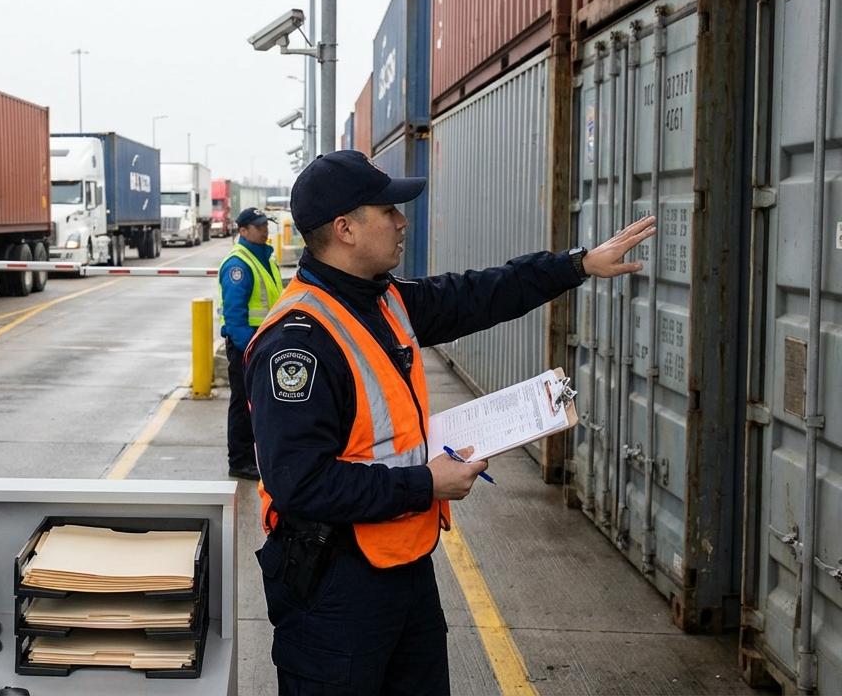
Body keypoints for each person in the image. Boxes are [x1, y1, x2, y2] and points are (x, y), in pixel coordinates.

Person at [246, 150, 655, 695]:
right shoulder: (297, 344)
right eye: (387, 210)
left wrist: (577, 264)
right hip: (333, 586)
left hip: (404, 565)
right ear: (345, 228)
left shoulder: (383, 301)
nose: (401, 221)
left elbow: (480, 293)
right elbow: (302, 484)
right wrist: (426, 483)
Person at [217, 206, 283, 480]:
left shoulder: (264, 257)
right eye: (258, 226)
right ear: (243, 231)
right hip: (247, 347)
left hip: (264, 344)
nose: (265, 230)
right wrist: (253, 350)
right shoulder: (239, 264)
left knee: (261, 404)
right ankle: (240, 460)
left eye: (265, 225)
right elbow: (235, 319)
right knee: (243, 405)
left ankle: (256, 455)